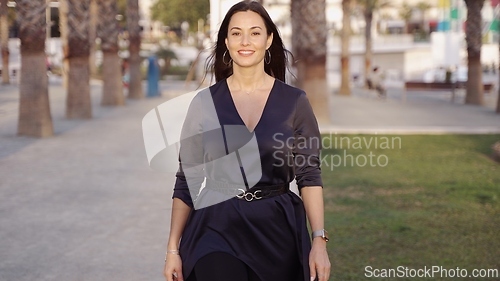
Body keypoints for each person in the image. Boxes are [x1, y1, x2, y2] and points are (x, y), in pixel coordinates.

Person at [163, 1, 331, 281]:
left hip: (277, 229)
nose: (245, 41)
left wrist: (318, 241)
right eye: (236, 33)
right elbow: (187, 181)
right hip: (216, 226)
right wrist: (172, 249)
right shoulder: (205, 103)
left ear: (269, 40)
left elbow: (309, 175)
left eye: (254, 33)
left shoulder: (295, 103)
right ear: (226, 41)